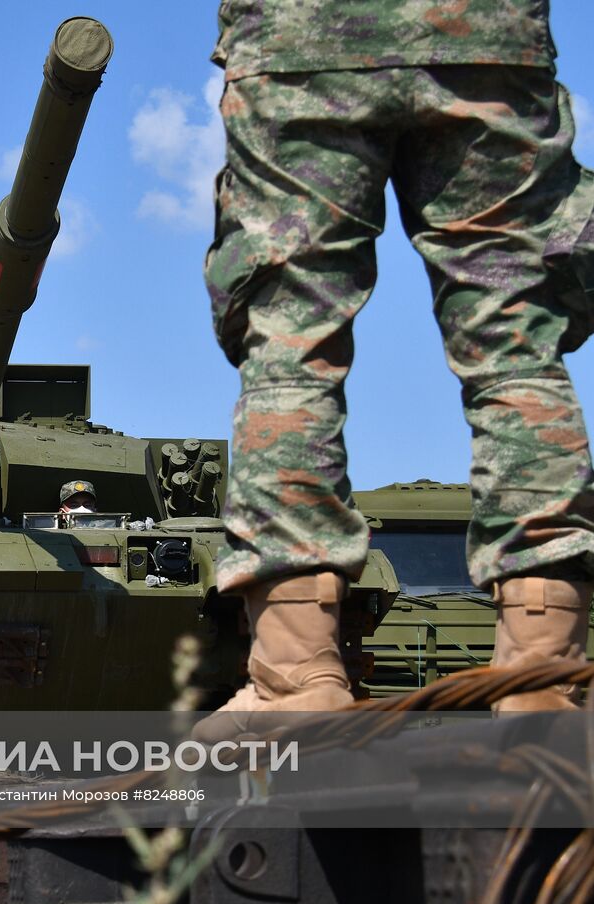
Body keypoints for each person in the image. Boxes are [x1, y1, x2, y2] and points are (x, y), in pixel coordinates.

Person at [198, 0, 594, 739]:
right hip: (485, 31)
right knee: (516, 348)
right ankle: (543, 670)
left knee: (291, 348)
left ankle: (296, 679)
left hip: (303, 36)